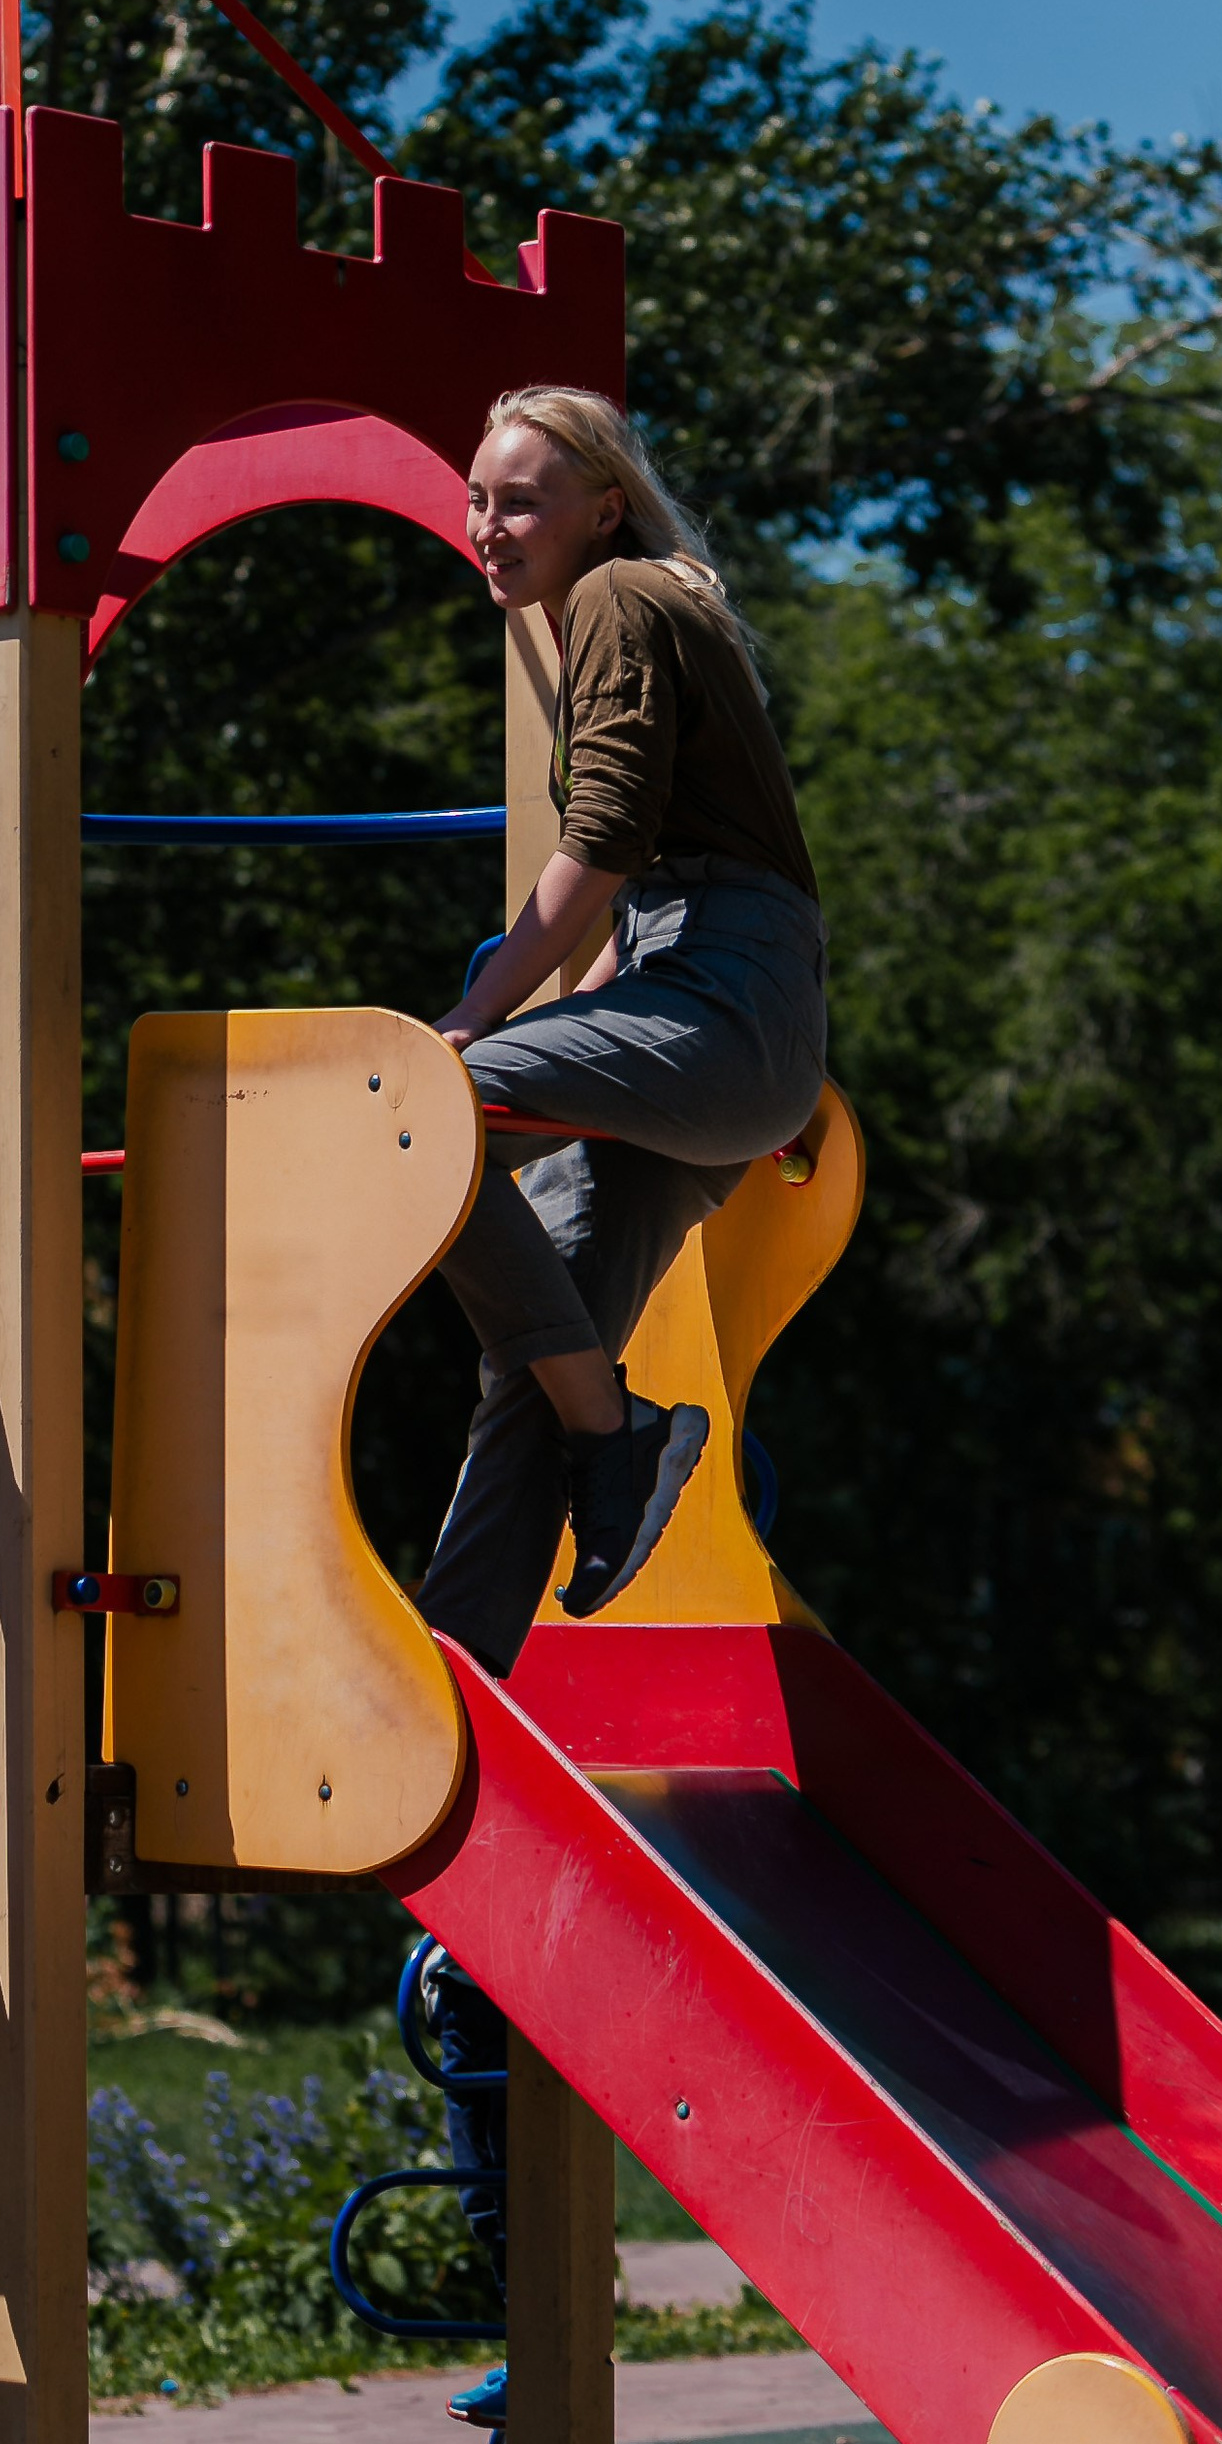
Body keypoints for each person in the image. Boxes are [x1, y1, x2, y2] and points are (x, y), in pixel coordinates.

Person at [422, 385, 827, 1668]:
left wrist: (473, 1017)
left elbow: (599, 839)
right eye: (479, 497)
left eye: (521, 499)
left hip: (718, 1009)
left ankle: (616, 1436)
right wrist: (595, 993)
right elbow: (654, 867)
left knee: (414, 1115)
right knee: (533, 1374)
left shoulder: (613, 598)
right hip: (708, 1014)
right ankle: (459, 1675)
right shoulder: (635, 602)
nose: (489, 524)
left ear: (602, 506)